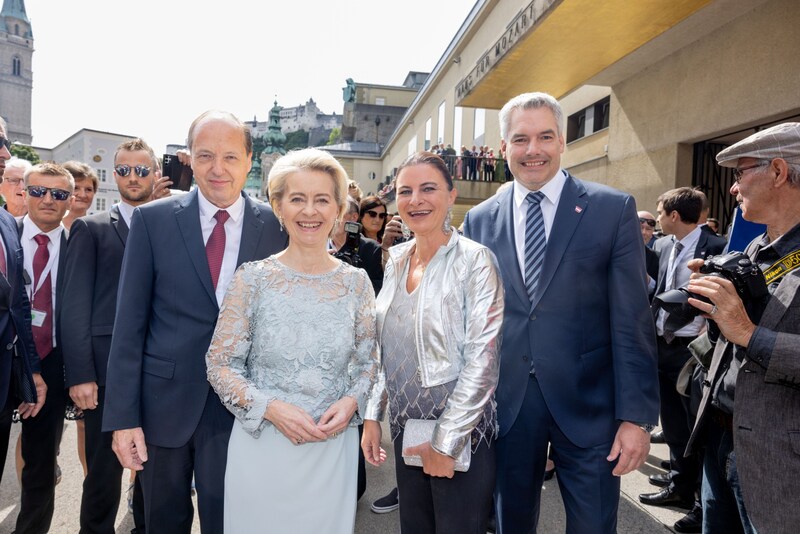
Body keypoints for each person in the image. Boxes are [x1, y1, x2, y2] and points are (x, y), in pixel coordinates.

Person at [462, 92, 658, 533]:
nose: (533, 150)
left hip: (591, 410)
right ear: (503, 148)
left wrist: (637, 417)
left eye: (545, 137)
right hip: (507, 408)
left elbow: (632, 322)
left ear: (563, 140)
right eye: (521, 139)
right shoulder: (479, 219)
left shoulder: (612, 209)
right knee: (510, 523)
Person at [102, 111, 285, 533]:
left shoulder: (276, 228)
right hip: (162, 409)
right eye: (205, 156)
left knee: (233, 523)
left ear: (248, 159)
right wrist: (123, 419)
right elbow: (128, 326)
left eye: (229, 156)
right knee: (163, 522)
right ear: (188, 159)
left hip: (242, 412)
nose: (217, 169)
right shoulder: (153, 220)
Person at [205, 147, 378, 533]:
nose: (309, 211)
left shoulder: (356, 283)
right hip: (262, 445)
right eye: (297, 199)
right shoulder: (252, 279)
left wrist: (352, 402)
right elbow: (219, 365)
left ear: (338, 209)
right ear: (278, 207)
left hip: (331, 448)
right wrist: (269, 408)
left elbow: (370, 363)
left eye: (321, 200)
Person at [363, 151, 503, 533]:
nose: (416, 200)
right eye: (406, 191)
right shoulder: (395, 259)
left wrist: (446, 441)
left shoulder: (476, 261)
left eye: (428, 189)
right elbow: (383, 348)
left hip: (461, 434)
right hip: (407, 429)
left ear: (452, 195)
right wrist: (373, 414)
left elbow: (483, 361)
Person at [685, 122, 800, 534]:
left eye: (740, 173)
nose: (733, 188)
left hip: (780, 460)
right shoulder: (753, 249)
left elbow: (748, 335)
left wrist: (749, 333)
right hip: (721, 437)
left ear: (778, 173)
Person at [61, 138, 163, 533]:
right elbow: (73, 309)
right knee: (103, 476)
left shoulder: (170, 227)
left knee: (154, 472)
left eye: (141, 169)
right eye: (124, 169)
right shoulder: (91, 228)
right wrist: (81, 375)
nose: (133, 177)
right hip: (104, 376)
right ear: (113, 175)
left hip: (158, 373)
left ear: (155, 174)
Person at [639, 187, 726, 530]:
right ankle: (680, 483)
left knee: (695, 428)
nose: (657, 219)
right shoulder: (663, 245)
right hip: (663, 344)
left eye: (659, 213)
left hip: (695, 352)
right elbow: (659, 289)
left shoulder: (718, 248)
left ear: (674, 216)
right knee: (672, 422)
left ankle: (700, 505)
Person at [15, 162, 73, 534]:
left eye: (58, 194)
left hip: (51, 363)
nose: (48, 199)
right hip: (7, 357)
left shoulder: (80, 243)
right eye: (38, 191)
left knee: (41, 463)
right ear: (24, 192)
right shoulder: (6, 235)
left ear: (69, 200)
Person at [0, 116, 46, 487]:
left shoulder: (6, 225)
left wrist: (31, 372)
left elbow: (18, 307)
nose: (4, 153)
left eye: (5, 142)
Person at [61, 161, 98, 232]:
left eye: (88, 189)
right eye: (76, 188)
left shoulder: (99, 230)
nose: (82, 195)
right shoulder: (47, 227)